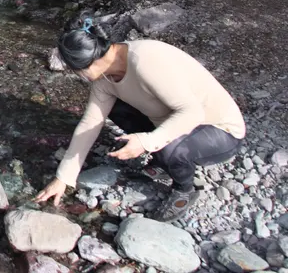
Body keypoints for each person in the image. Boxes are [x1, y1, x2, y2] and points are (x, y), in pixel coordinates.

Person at [34, 12, 246, 222]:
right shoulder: (104, 77)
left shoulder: (145, 60)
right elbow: (90, 122)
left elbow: (193, 112)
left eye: (74, 70)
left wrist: (147, 141)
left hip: (219, 131)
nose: (75, 75)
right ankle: (164, 160)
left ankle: (186, 189)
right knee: (115, 109)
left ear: (86, 65)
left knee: (168, 149)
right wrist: (64, 177)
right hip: (173, 121)